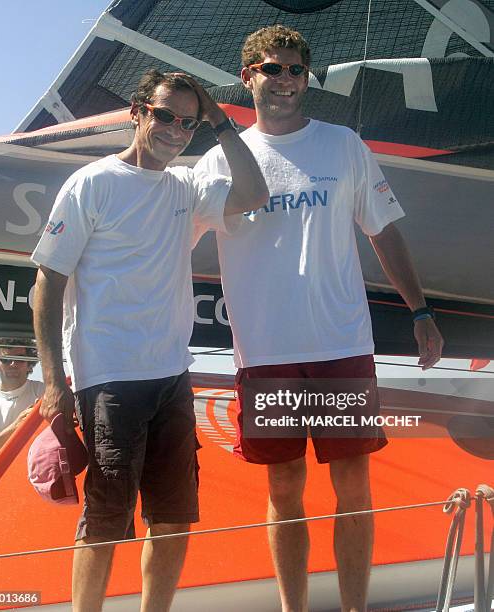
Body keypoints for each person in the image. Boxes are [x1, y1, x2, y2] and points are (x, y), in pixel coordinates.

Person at [195, 25, 444, 612]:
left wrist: (422, 310)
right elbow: (169, 240)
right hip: (265, 353)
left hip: (339, 344)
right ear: (247, 76)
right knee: (284, 489)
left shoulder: (343, 144)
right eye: (272, 69)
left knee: (353, 486)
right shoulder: (216, 160)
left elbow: (382, 230)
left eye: (295, 71)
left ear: (305, 79)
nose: (285, 81)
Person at [31, 69, 267, 612]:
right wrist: (53, 382)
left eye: (187, 122)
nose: (175, 130)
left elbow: (256, 191)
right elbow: (47, 282)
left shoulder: (187, 187)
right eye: (164, 116)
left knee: (175, 515)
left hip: (171, 375)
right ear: (138, 112)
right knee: (108, 517)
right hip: (108, 375)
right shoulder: (92, 182)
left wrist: (221, 121)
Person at [0, 338, 43, 468]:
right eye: (6, 360)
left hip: (41, 476)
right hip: (1, 481)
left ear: (29, 364)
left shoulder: (45, 392)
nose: (13, 364)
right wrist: (16, 426)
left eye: (20, 358)